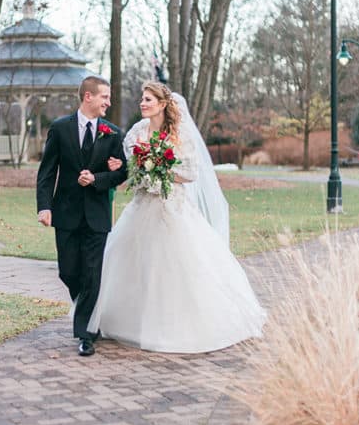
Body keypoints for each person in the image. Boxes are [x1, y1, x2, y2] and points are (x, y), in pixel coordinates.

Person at [89, 81, 265, 354]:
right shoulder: (137, 131)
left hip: (172, 207)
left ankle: (177, 325)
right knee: (134, 262)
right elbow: (129, 165)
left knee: (174, 264)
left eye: (148, 100)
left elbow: (191, 173)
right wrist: (131, 166)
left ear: (162, 104)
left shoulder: (179, 134)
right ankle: (126, 322)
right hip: (142, 204)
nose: (143, 103)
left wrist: (161, 168)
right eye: (142, 99)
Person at [36, 76, 127, 357]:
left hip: (97, 216)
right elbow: (47, 171)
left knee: (92, 274)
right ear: (88, 97)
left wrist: (98, 177)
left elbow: (121, 174)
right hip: (65, 214)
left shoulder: (113, 133)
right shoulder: (60, 128)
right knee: (68, 271)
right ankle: (88, 310)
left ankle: (85, 334)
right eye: (104, 97)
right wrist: (44, 206)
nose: (108, 103)